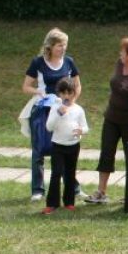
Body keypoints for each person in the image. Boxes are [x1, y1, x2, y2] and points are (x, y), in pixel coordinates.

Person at [85, 35, 128, 204]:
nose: (120, 54)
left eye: (123, 51)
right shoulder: (120, 64)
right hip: (112, 118)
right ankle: (101, 192)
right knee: (106, 153)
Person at [21, 28, 83, 202]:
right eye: (59, 45)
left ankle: (74, 188)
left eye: (64, 45)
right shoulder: (38, 63)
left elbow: (77, 85)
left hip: (64, 112)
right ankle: (37, 190)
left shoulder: (69, 62)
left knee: (66, 148)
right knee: (39, 150)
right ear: (50, 46)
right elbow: (26, 87)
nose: (63, 48)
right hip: (43, 110)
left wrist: (71, 103)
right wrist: (39, 92)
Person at [43, 77, 89, 215]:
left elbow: (85, 127)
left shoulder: (78, 109)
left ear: (74, 93)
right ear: (59, 94)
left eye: (70, 93)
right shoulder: (55, 108)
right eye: (63, 93)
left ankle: (69, 202)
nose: (67, 96)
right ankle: (52, 204)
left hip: (73, 146)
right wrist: (58, 114)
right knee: (56, 173)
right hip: (58, 145)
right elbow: (49, 127)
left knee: (70, 174)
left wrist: (82, 131)